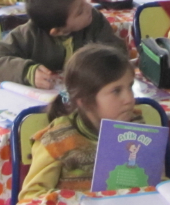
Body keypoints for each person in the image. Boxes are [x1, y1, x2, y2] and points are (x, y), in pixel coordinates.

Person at [18, 44, 144, 199]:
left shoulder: (138, 127)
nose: (129, 99)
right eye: (116, 91)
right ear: (84, 100)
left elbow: (154, 178)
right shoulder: (57, 141)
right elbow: (30, 197)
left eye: (130, 87)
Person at [0, 0, 126, 87]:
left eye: (83, 1)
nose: (89, 8)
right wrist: (28, 72)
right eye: (79, 11)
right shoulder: (29, 34)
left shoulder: (94, 20)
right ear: (57, 31)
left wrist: (92, 63)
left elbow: (117, 52)